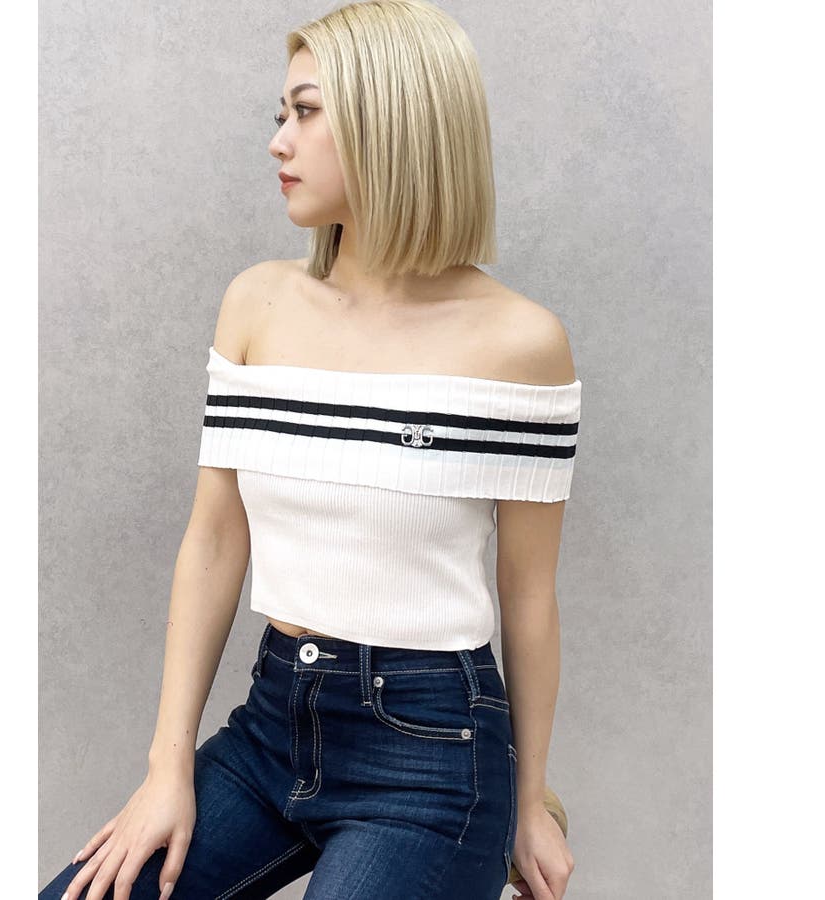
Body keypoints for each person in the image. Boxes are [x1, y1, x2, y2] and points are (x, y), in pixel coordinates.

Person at [39, 2, 579, 898]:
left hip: (434, 752)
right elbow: (215, 539)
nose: (278, 142)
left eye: (305, 112)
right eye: (280, 114)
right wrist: (167, 768)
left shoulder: (520, 343)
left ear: (388, 121)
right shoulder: (257, 305)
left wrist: (528, 803)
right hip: (272, 723)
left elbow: (529, 593)